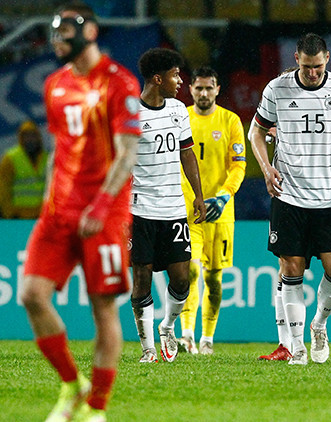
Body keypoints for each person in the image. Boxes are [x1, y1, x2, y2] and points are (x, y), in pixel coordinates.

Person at [21, 2, 141, 420]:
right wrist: (47, 202)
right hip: (59, 212)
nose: (57, 41)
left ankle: (96, 408)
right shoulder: (54, 84)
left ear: (89, 32)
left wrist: (102, 205)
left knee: (102, 309)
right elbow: (59, 149)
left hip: (104, 214)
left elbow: (127, 153)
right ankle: (73, 384)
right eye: (54, 34)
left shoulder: (120, 83)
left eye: (65, 34)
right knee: (31, 295)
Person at [249, 33, 331, 365]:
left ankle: (319, 324)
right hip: (289, 196)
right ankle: (296, 347)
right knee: (290, 269)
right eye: (307, 67)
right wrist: (266, 168)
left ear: (327, 59)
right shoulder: (277, 89)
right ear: (296, 60)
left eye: (318, 66)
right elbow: (256, 132)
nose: (313, 73)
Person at [129, 48, 206, 364]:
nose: (180, 81)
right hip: (140, 209)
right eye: (175, 75)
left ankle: (168, 326)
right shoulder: (131, 114)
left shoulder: (177, 110)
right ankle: (148, 348)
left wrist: (198, 195)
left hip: (174, 208)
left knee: (181, 279)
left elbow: (187, 153)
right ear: (157, 79)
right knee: (142, 277)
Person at [176, 66, 246, 356]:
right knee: (190, 271)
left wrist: (223, 196)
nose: (204, 93)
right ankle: (186, 335)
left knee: (213, 279)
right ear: (190, 89)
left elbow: (238, 166)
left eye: (209, 88)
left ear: (217, 90)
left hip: (220, 212)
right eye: (199, 88)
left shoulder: (230, 121)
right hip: (189, 210)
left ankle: (207, 338)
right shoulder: (182, 119)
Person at [0, 121, 48, 219]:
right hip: (18, 214)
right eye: (26, 136)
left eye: (33, 136)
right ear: (21, 138)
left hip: (41, 214)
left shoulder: (47, 158)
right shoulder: (10, 158)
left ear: (38, 137)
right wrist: (9, 213)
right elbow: (3, 188)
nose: (30, 140)